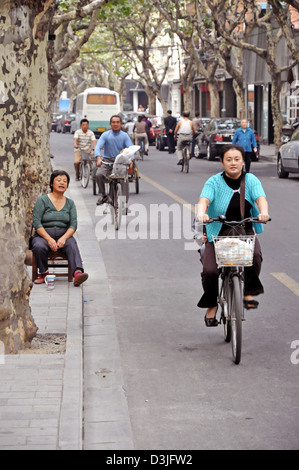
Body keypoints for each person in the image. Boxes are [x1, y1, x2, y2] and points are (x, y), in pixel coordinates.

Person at [196, 144, 270, 327]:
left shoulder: (251, 180)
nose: (233, 163)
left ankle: (247, 290)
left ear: (243, 161)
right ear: (222, 162)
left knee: (256, 257)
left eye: (237, 159)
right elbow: (203, 199)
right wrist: (201, 213)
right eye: (228, 159)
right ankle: (212, 303)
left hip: (243, 231)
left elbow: (261, 198)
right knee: (210, 271)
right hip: (217, 233)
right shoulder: (214, 182)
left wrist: (264, 212)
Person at [32, 170, 88, 286]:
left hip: (64, 235)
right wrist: (49, 239)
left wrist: (63, 238)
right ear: (52, 183)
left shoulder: (70, 203)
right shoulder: (42, 201)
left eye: (65, 181)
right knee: (38, 246)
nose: (62, 183)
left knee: (72, 245)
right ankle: (44, 273)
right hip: (43, 235)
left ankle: (77, 274)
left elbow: (73, 225)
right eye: (59, 180)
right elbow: (37, 223)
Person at [94, 115, 133, 208]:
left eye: (117, 122)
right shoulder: (105, 135)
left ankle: (125, 204)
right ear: (110, 124)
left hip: (120, 161)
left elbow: (130, 149)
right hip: (107, 161)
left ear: (121, 124)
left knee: (124, 180)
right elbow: (98, 147)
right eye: (113, 122)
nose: (115, 124)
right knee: (98, 175)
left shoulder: (125, 136)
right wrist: (98, 158)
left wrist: (130, 160)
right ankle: (103, 195)